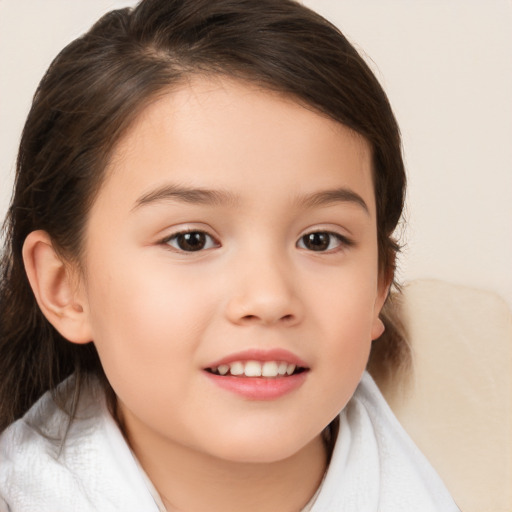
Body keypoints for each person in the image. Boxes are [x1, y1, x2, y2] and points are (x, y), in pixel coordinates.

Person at [0, 0, 460, 510]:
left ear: (378, 284)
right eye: (190, 239)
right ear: (64, 287)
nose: (268, 298)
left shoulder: (484, 457)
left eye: (320, 239)